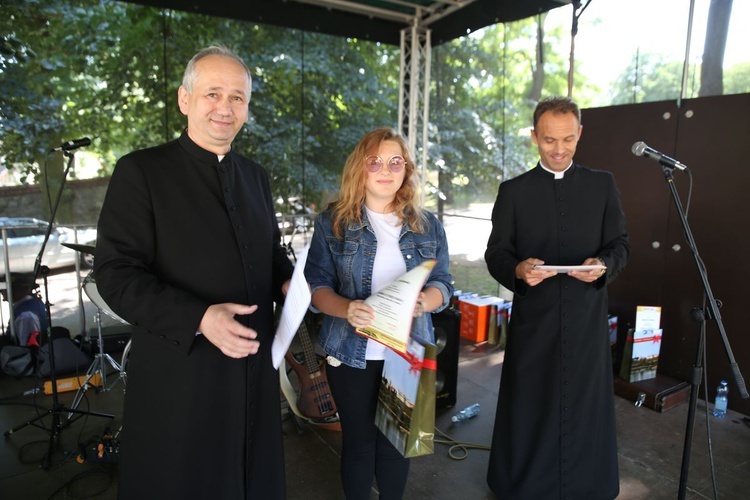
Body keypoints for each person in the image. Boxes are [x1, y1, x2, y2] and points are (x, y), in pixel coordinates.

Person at [94, 45, 294, 499]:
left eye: (237, 97)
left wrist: (290, 281)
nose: (225, 107)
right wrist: (200, 318)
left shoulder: (256, 177)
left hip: (252, 372)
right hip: (181, 377)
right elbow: (115, 273)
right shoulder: (140, 171)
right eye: (212, 94)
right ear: (185, 100)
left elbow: (267, 252)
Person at [484, 96, 629, 499]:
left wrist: (603, 264)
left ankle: (587, 484)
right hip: (536, 321)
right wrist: (517, 269)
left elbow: (621, 244)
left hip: (585, 321)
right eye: (549, 140)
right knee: (531, 405)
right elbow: (496, 253)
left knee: (584, 406)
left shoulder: (603, 185)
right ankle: (524, 485)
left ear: (580, 133)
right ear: (534, 137)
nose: (559, 149)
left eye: (568, 139)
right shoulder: (513, 192)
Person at [304, 127, 453, 499]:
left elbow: (444, 285)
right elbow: (315, 288)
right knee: (359, 444)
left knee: (394, 445)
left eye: (395, 162)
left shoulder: (427, 225)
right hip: (351, 355)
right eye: (375, 162)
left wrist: (424, 302)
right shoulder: (333, 223)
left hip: (407, 352)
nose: (385, 170)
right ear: (361, 168)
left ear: (406, 169)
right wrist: (346, 308)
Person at [1, 273, 47, 348]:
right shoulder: (32, 302)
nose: (2, 292)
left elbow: (27, 347)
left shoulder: (25, 315)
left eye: (5, 289)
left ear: (19, 290)